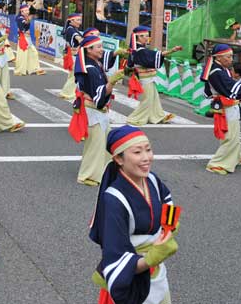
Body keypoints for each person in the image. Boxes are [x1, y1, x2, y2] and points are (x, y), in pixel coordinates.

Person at [89, 126, 177, 304]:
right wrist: (151, 258)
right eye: (137, 152)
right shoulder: (113, 199)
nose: (146, 158)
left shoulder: (152, 179)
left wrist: (169, 229)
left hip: (157, 270)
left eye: (148, 149)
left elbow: (168, 203)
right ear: (118, 159)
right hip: (132, 276)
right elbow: (115, 256)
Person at [72, 34, 125, 186]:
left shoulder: (95, 63)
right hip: (93, 111)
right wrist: (112, 82)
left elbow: (105, 61)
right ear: (89, 50)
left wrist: (115, 54)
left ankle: (104, 171)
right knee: (95, 145)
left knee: (104, 142)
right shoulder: (91, 69)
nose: (102, 49)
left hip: (95, 110)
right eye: (99, 47)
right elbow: (99, 97)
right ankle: (87, 175)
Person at [201, 44, 241, 175]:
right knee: (230, 136)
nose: (231, 59)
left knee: (234, 134)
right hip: (225, 106)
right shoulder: (216, 72)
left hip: (227, 105)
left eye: (231, 56)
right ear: (219, 57)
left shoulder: (220, 69)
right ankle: (217, 163)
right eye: (228, 56)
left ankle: (237, 156)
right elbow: (233, 89)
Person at [125, 26, 182, 126]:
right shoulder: (140, 51)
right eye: (144, 36)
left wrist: (171, 50)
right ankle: (134, 118)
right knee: (147, 100)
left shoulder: (136, 49)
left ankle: (157, 116)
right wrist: (172, 50)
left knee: (154, 98)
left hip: (147, 78)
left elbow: (153, 56)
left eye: (148, 36)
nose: (147, 38)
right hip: (145, 79)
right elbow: (155, 56)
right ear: (138, 37)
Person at [14, 4, 44, 76]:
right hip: (23, 39)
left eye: (28, 10)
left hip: (27, 38)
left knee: (33, 52)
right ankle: (20, 70)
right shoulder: (20, 18)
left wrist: (29, 17)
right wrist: (29, 19)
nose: (27, 11)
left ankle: (33, 69)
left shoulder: (26, 17)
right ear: (22, 11)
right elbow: (24, 23)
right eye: (25, 10)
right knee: (23, 55)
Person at [58, 13, 83, 100]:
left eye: (80, 20)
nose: (80, 22)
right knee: (75, 76)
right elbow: (78, 39)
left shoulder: (70, 29)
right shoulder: (71, 30)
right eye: (78, 20)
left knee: (72, 75)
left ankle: (69, 92)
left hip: (72, 55)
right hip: (74, 56)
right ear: (71, 21)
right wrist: (85, 42)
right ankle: (67, 93)